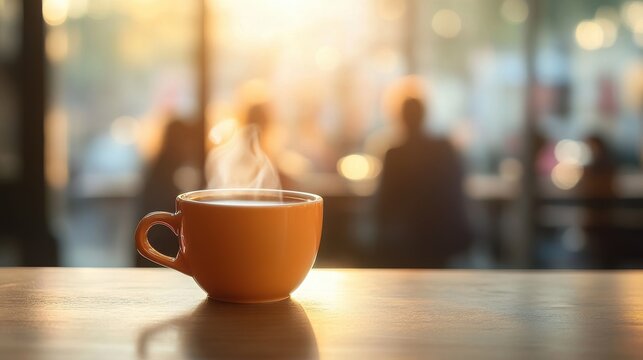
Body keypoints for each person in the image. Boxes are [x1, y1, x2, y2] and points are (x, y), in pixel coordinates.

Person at [375, 97, 472, 268]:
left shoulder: (395, 155)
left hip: (406, 240)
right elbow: (457, 193)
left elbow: (384, 205)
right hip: (441, 237)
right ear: (424, 115)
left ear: (400, 118)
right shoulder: (443, 148)